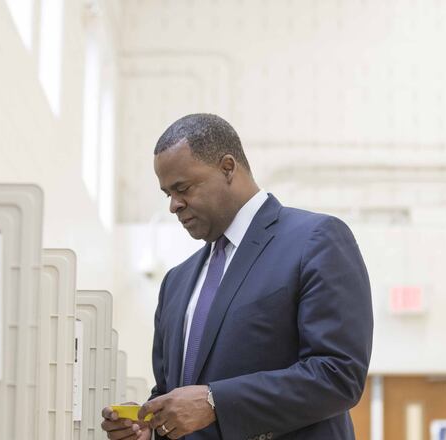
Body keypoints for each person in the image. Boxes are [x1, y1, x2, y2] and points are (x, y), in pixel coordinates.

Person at [101, 114, 373, 440]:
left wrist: (217, 402)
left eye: (183, 188)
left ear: (228, 168)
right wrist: (147, 426)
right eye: (167, 193)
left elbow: (338, 375)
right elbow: (173, 393)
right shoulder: (176, 282)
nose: (174, 205)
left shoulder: (315, 239)